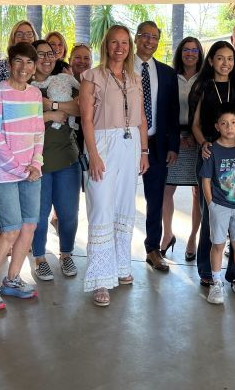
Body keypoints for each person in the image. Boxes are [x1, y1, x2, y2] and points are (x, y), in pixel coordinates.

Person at [80, 25, 149, 307]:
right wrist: (94, 155)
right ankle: (100, 278)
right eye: (114, 42)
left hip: (130, 145)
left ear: (129, 47)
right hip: (102, 144)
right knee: (101, 207)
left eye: (124, 43)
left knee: (124, 206)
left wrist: (144, 151)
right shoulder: (92, 77)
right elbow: (86, 120)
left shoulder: (134, 78)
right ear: (105, 45)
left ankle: (121, 266)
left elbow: (142, 118)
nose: (119, 48)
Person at [0, 42, 45, 312]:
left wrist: (36, 163)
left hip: (30, 171)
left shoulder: (35, 94)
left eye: (29, 62)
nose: (24, 67)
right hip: (1, 173)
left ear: (34, 67)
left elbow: (38, 132)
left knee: (29, 226)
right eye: (18, 61)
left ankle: (12, 280)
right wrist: (19, 169)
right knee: (10, 230)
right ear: (9, 63)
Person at [190, 40, 235, 286]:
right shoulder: (202, 86)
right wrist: (204, 143)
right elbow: (194, 124)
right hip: (210, 156)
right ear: (211, 61)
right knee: (211, 214)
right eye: (220, 58)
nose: (226, 63)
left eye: (230, 58)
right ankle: (206, 270)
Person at [29, 40, 82, 281]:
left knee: (69, 214)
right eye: (40, 54)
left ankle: (66, 254)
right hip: (36, 163)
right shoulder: (24, 86)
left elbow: (79, 109)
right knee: (39, 216)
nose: (46, 59)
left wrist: (51, 104)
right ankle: (39, 258)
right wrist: (50, 115)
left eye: (50, 54)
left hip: (67, 159)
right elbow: (21, 122)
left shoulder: (64, 81)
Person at [133, 21, 180, 273]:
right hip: (126, 143)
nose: (149, 41)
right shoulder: (121, 68)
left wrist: (173, 145)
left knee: (155, 199)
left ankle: (153, 249)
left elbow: (173, 112)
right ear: (136, 38)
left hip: (157, 145)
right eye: (145, 35)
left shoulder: (167, 73)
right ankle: (117, 248)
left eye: (154, 37)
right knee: (120, 198)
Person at [200, 106, 235, 304]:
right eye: (224, 123)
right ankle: (216, 283)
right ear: (217, 127)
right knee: (218, 244)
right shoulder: (212, 150)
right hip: (220, 205)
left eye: (233, 123)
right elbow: (206, 179)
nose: (229, 127)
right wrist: (211, 204)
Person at [163, 37, 204, 261]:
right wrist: (176, 137)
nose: (190, 54)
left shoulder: (205, 78)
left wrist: (196, 136)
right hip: (174, 138)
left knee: (198, 192)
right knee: (167, 189)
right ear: (180, 52)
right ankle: (167, 234)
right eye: (186, 50)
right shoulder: (170, 77)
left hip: (198, 139)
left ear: (200, 54)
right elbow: (165, 109)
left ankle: (192, 237)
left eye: (194, 50)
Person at [0, 20, 38, 84]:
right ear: (13, 38)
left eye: (29, 34)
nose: (24, 37)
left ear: (34, 37)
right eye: (19, 34)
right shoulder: (0, 67)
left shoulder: (41, 64)